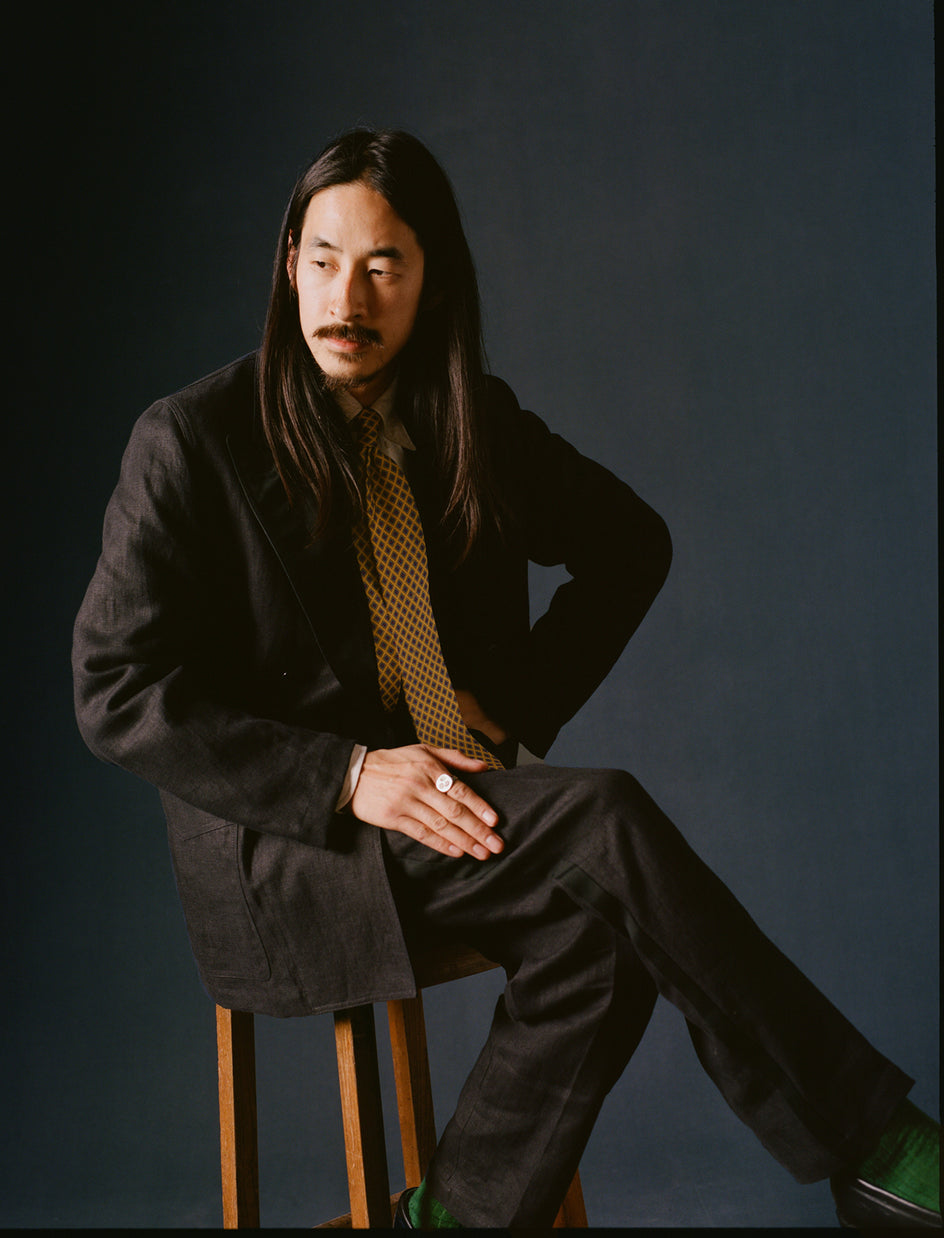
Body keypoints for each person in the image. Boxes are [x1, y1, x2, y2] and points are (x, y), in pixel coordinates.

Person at [72, 128, 939, 1230]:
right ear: (289, 262)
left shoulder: (469, 416)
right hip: (293, 846)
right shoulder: (191, 440)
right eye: (325, 259)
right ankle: (874, 1144)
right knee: (605, 818)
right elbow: (114, 687)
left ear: (432, 281)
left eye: (384, 265)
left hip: (449, 802)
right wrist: (351, 773)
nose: (348, 296)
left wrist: (514, 703)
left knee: (601, 936)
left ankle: (446, 1219)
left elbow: (630, 543)